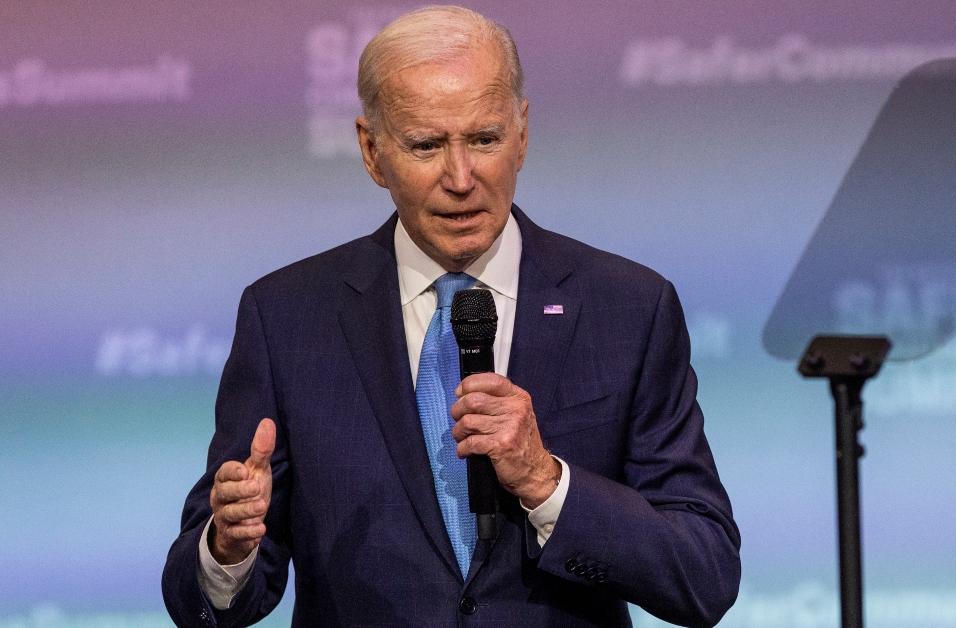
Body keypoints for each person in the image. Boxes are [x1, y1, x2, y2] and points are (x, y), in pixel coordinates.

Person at [162, 5, 739, 627]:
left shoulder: (626, 308)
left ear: (523, 134)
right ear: (372, 152)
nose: (461, 178)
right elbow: (205, 602)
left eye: (485, 139)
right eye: (426, 145)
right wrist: (229, 548)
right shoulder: (287, 318)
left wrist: (547, 484)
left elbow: (704, 575)